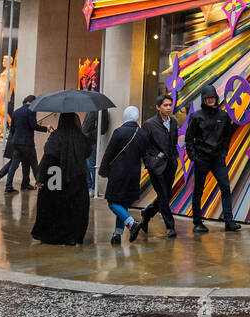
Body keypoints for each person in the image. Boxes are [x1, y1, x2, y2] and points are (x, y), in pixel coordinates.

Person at [99, 106, 172, 244]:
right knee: (123, 203)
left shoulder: (119, 132)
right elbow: (145, 154)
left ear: (125, 116)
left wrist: (103, 170)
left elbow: (109, 153)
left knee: (112, 202)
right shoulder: (143, 134)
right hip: (134, 173)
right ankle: (117, 234)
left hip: (118, 173)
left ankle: (131, 223)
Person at [184, 84, 242, 233]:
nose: (210, 100)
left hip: (217, 158)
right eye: (207, 98)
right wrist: (193, 157)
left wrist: (224, 152)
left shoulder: (223, 116)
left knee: (225, 187)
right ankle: (197, 222)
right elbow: (189, 138)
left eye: (212, 97)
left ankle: (228, 221)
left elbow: (227, 136)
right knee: (198, 190)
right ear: (204, 99)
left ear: (216, 98)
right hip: (201, 158)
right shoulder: (196, 116)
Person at [31, 112, 92, 245]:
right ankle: (73, 236)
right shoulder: (81, 137)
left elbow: (48, 157)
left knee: (55, 204)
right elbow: (88, 152)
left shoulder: (56, 136)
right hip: (77, 175)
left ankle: (55, 235)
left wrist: (40, 178)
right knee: (76, 207)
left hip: (56, 175)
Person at [137, 93, 179, 236]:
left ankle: (147, 213)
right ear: (158, 107)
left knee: (165, 196)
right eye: (165, 105)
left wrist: (175, 159)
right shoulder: (149, 124)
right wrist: (150, 162)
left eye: (169, 105)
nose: (168, 108)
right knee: (162, 194)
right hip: (156, 167)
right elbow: (142, 146)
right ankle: (170, 226)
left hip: (170, 165)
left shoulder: (173, 123)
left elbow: (173, 144)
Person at [0, 95, 43, 193]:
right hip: (27, 143)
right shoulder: (31, 111)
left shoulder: (16, 112)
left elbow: (12, 129)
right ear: (32, 102)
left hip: (16, 142)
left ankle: (10, 185)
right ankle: (39, 183)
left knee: (15, 165)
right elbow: (33, 125)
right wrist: (45, 128)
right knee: (33, 163)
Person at [82, 108, 111, 195]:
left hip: (92, 141)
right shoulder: (90, 109)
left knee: (91, 165)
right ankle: (89, 185)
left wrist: (89, 135)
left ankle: (94, 188)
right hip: (84, 141)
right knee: (84, 165)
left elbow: (102, 128)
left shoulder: (101, 110)